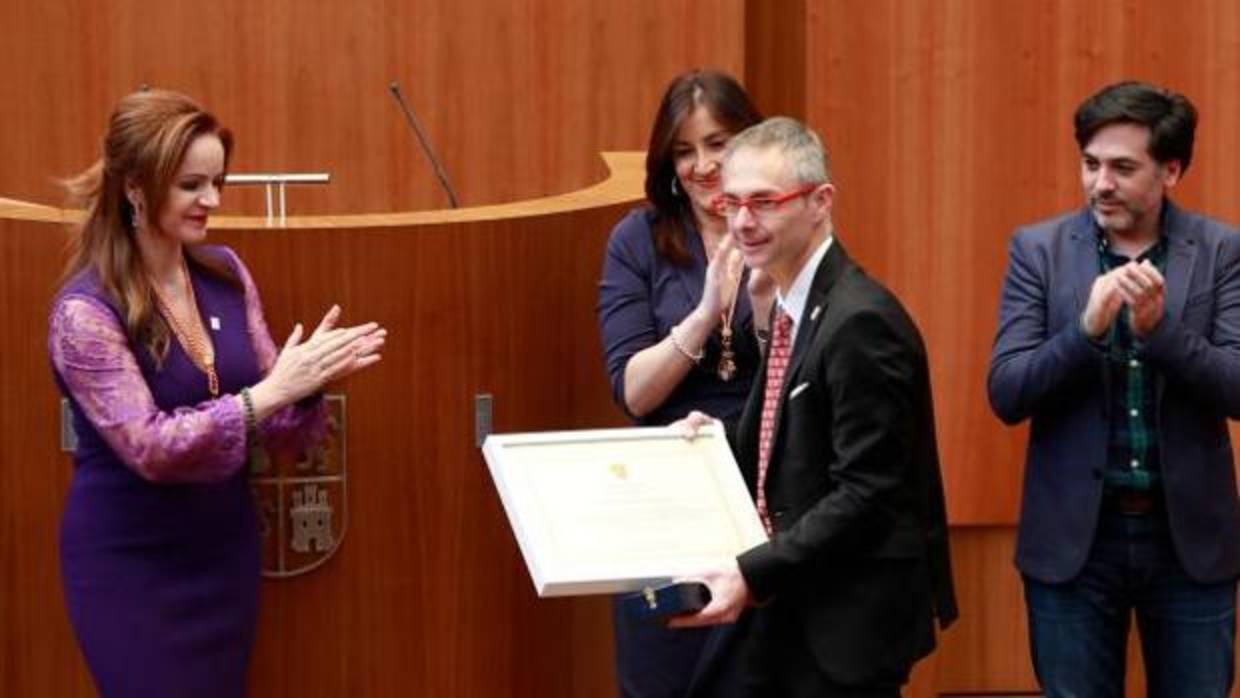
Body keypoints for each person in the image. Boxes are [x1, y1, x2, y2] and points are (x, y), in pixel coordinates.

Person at [48, 89, 386, 698]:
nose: (213, 201)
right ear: (135, 187)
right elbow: (151, 447)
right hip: (130, 563)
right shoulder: (85, 312)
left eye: (217, 181)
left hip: (222, 551)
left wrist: (309, 385)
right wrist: (273, 392)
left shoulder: (225, 272)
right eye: (190, 185)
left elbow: (274, 426)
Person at [672, 117, 957, 698]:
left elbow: (868, 490)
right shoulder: (791, 303)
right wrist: (719, 438)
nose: (744, 222)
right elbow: (802, 430)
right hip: (797, 606)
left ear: (820, 202)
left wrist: (752, 573)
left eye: (765, 203)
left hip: (847, 623)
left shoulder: (861, 320)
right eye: (732, 204)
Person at [988, 81, 1240, 698]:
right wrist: (1084, 331)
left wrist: (1162, 333)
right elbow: (1007, 392)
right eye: (1091, 164)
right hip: (1075, 545)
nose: (1101, 183)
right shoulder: (1038, 251)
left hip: (1190, 547)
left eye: (1123, 168)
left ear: (1171, 170)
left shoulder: (1221, 251)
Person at [597, 69, 767, 698]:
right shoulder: (636, 240)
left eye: (718, 144)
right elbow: (634, 391)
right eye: (685, 150)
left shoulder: (784, 230)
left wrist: (762, 294)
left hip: (765, 486)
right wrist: (703, 315)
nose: (703, 166)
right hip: (664, 492)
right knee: (661, 675)